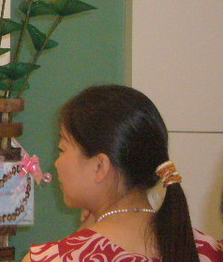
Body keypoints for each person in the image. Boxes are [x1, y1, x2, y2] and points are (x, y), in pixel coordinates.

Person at [22, 85, 222, 262]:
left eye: (62, 149)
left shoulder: (54, 258)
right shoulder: (210, 250)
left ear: (100, 166)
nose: (56, 163)